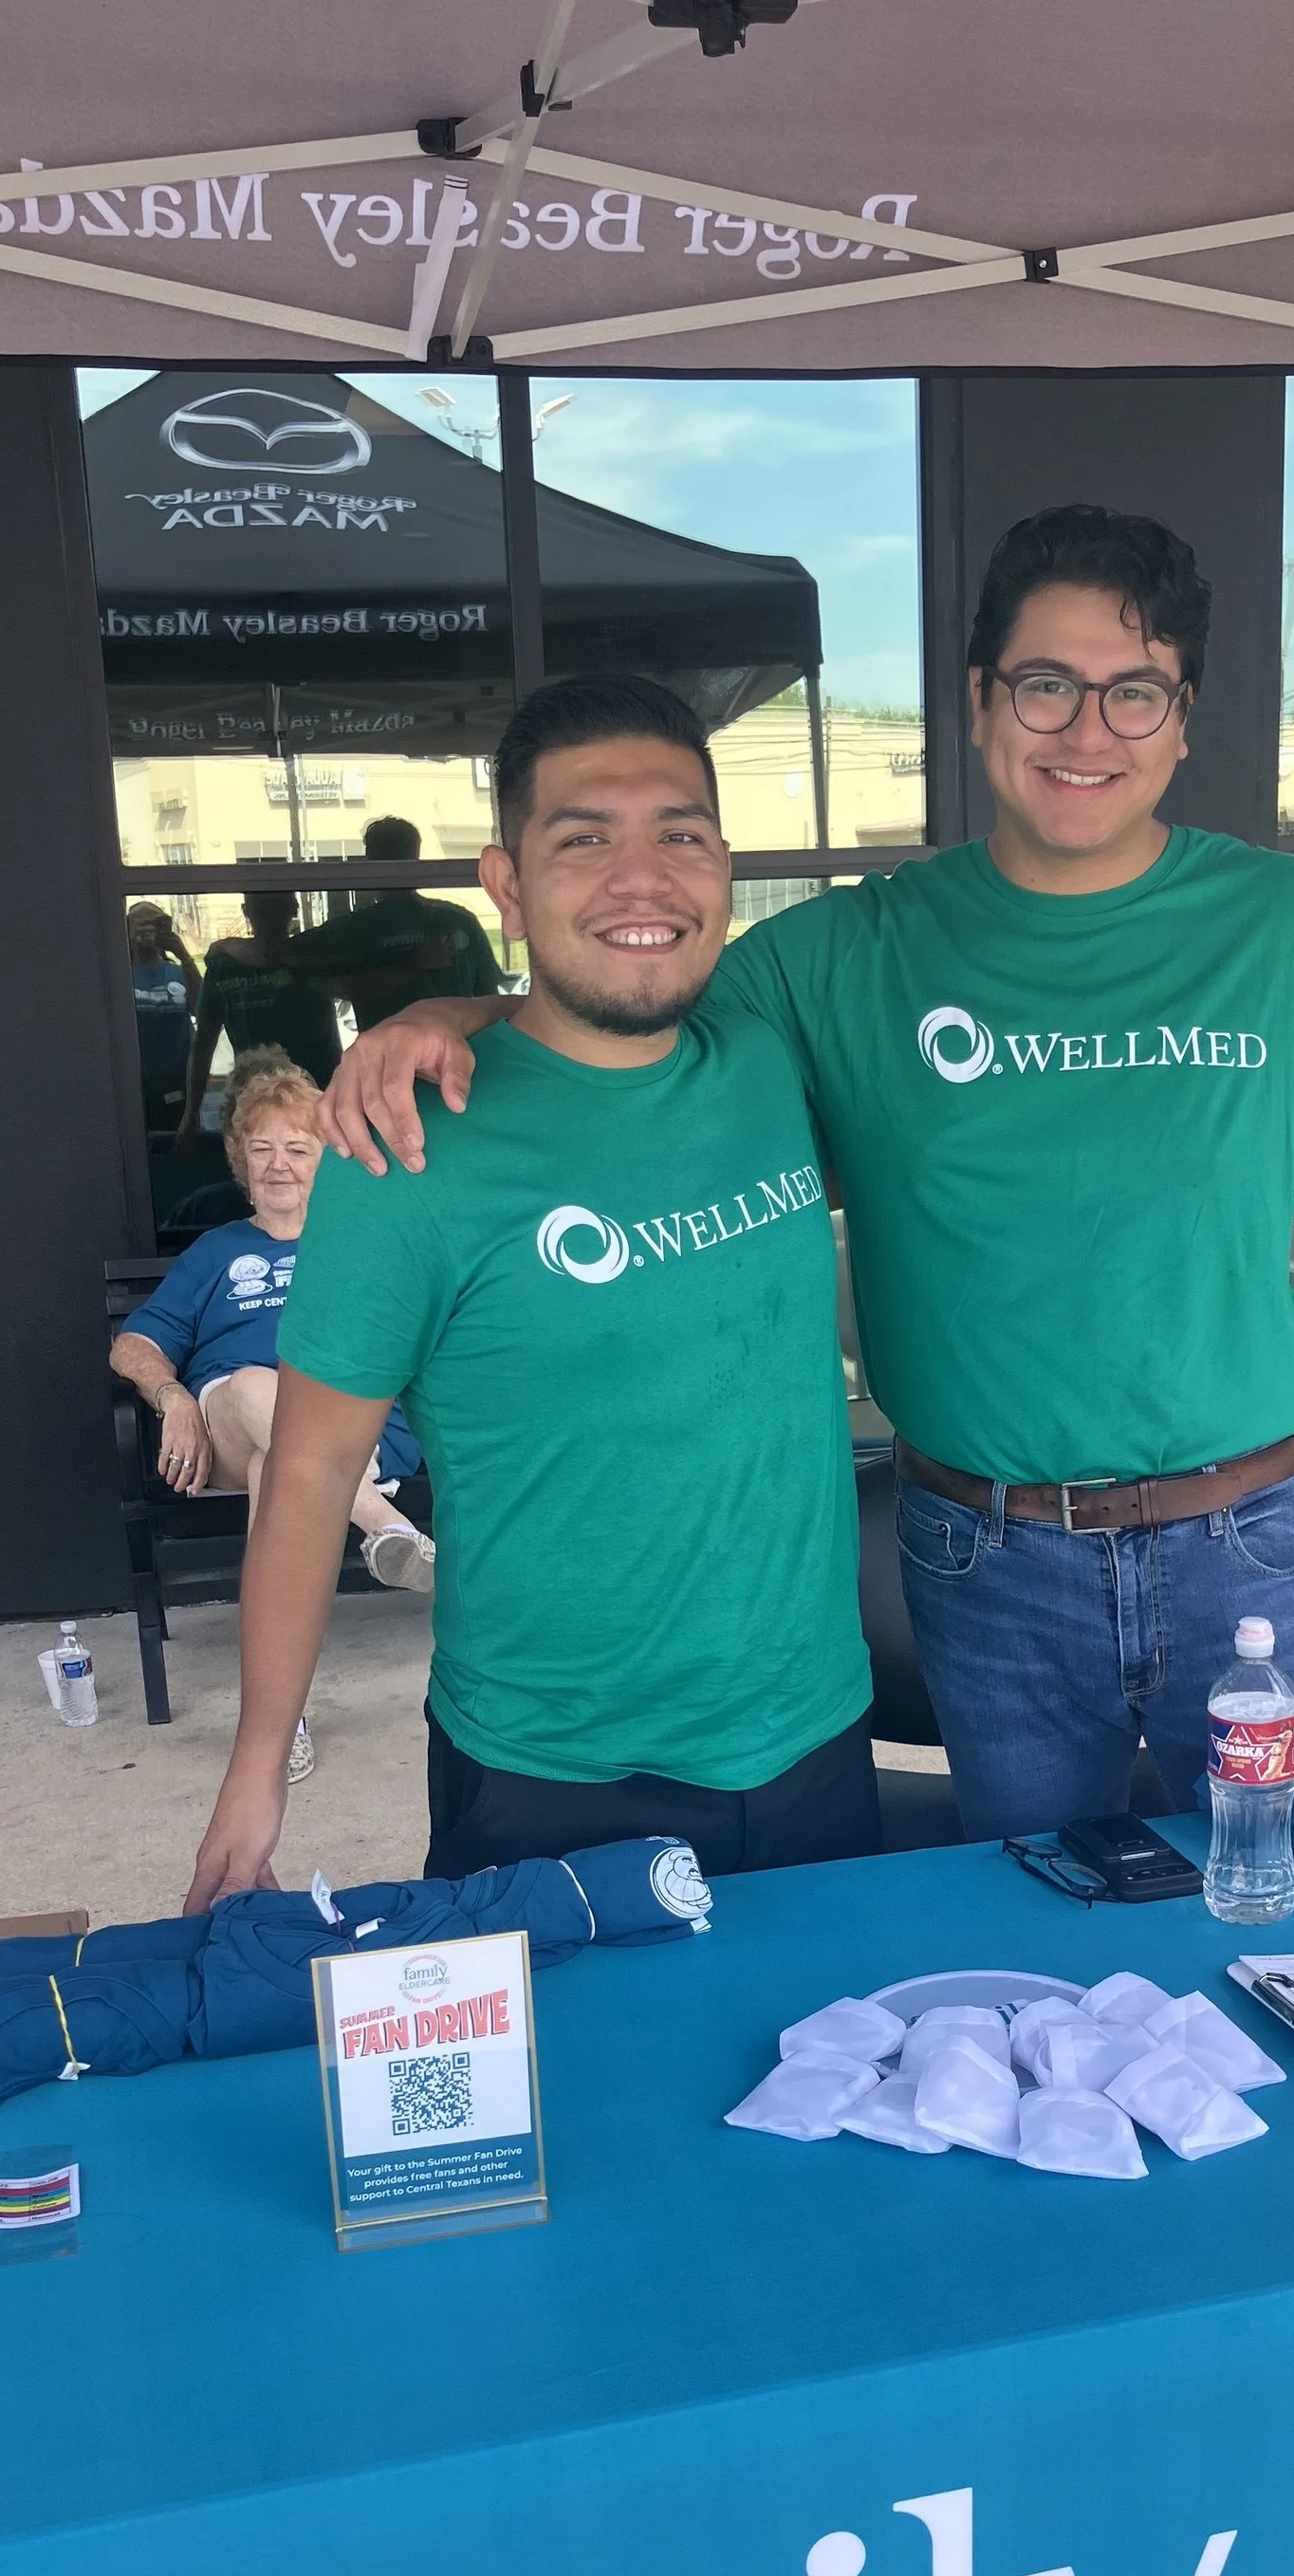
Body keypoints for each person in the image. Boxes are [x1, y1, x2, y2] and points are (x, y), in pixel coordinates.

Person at [322, 507, 1294, 1841]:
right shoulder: (844, 959)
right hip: (988, 1569)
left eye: (1134, 692)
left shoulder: (1288, 928)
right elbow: (625, 989)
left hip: (1250, 1553)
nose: (1086, 731)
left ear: (1183, 721)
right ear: (983, 707)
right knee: (1044, 1966)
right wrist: (446, 1017)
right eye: (1047, 685)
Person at [181, 676, 876, 1907]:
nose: (641, 878)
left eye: (681, 835)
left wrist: (445, 1005)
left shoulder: (770, 1057)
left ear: (724, 866)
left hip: (813, 1734)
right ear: (505, 884)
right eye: (583, 840)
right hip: (554, 1774)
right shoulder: (405, 1147)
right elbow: (306, 1473)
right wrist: (254, 1771)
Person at [113, 1061, 432, 1788]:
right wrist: (175, 1399)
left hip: (350, 1438)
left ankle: (281, 1719)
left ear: (328, 1158)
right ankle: (392, 1530)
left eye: (298, 1148)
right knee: (262, 1388)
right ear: (241, 1161)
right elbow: (133, 1343)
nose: (279, 1165)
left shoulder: (364, 1244)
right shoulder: (217, 1252)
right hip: (231, 1416)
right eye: (262, 1148)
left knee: (277, 1471)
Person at [287, 814, 506, 1031]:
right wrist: (416, 964)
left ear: (370, 864)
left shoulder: (354, 929)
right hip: (450, 1060)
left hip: (395, 1062)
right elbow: (491, 1005)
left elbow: (285, 956)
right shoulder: (458, 921)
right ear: (416, 859)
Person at [175, 891, 343, 1151]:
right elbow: (203, 1044)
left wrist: (191, 1115)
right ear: (295, 908)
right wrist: (190, 1115)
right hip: (264, 1101)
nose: (269, 914)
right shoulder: (225, 966)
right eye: (264, 907)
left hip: (314, 1099)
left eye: (273, 906)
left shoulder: (312, 955)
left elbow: (203, 1044)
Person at [127, 901, 202, 1141]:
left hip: (178, 1084)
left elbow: (202, 1008)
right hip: (135, 1085)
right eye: (140, 923)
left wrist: (184, 956)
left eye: (155, 923)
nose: (147, 929)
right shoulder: (121, 972)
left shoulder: (177, 972)